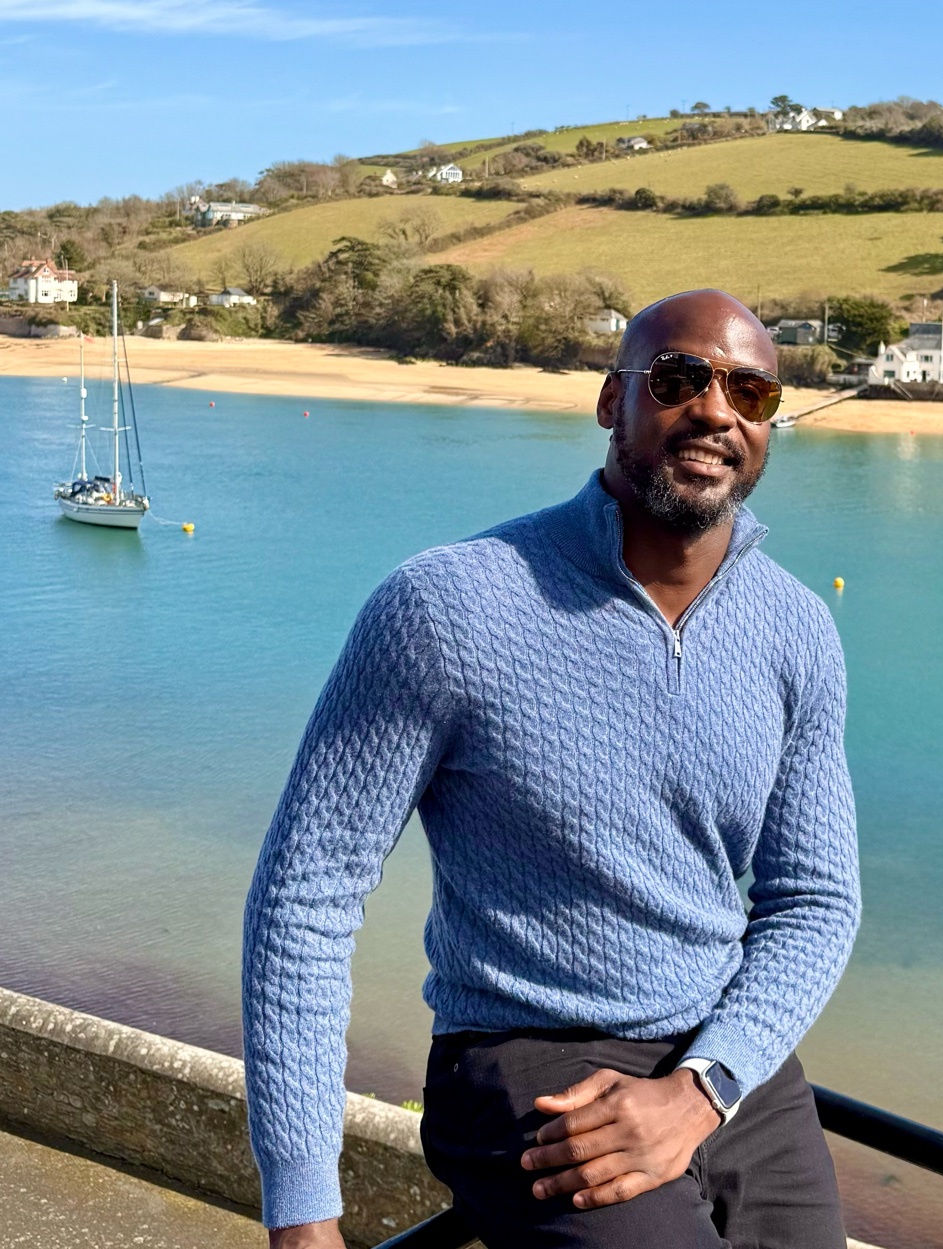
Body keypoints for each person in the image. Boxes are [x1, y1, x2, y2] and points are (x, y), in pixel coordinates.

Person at [243, 289, 861, 1249]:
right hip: (526, 1057)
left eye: (751, 391)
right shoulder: (446, 606)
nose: (715, 411)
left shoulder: (798, 630)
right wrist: (302, 1208)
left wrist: (705, 1086)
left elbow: (815, 901)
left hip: (729, 1063)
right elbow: (306, 897)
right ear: (613, 400)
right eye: (679, 378)